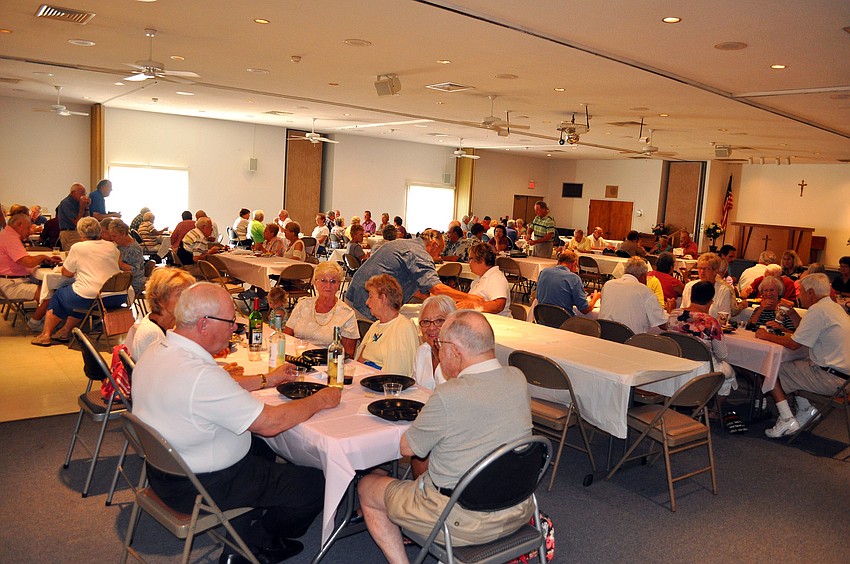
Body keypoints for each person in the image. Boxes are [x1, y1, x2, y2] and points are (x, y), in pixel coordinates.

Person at [132, 282, 341, 563]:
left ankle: (250, 515)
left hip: (164, 471)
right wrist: (321, 400)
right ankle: (255, 541)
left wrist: (268, 379)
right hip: (201, 485)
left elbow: (214, 391)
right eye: (230, 321)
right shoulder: (200, 375)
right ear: (204, 324)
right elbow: (271, 423)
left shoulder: (158, 350)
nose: (234, 327)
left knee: (265, 448)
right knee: (314, 482)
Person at [358, 310, 533, 562]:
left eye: (440, 345)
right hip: (518, 507)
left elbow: (408, 449)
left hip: (462, 520)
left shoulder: (448, 395)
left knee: (367, 486)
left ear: (455, 350)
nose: (438, 351)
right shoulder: (518, 378)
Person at [757, 274, 850, 438]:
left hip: (830, 379)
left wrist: (766, 336)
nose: (799, 295)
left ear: (811, 293)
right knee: (795, 363)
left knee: (769, 367)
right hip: (843, 378)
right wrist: (792, 314)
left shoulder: (818, 310)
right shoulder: (833, 307)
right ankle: (805, 409)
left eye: (802, 292)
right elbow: (804, 333)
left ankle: (786, 418)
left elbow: (794, 344)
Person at [31, 217, 122, 346]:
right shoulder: (111, 246)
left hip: (91, 298)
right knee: (77, 294)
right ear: (100, 231)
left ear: (80, 233)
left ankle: (45, 335)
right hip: (116, 297)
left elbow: (67, 274)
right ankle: (64, 331)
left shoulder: (78, 247)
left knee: (59, 294)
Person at [667, 281, 740, 424]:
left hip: (677, 364)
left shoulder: (673, 315)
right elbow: (722, 354)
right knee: (729, 373)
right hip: (701, 369)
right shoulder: (710, 321)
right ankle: (714, 410)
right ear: (711, 301)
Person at [344, 229, 458, 320]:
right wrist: (470, 298)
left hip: (353, 296)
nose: (439, 256)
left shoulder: (402, 243)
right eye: (439, 251)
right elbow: (436, 288)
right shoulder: (419, 253)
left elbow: (416, 288)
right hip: (367, 304)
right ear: (433, 245)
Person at [284, 261, 359, 356]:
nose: (328, 286)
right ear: (315, 282)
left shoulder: (347, 314)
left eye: (333, 281)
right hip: (298, 358)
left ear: (339, 285)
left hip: (327, 363)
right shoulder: (303, 305)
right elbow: (286, 337)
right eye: (323, 280)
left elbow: (348, 354)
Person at [0, 213, 61, 330]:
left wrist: (42, 260)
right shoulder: (10, 238)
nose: (30, 232)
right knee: (49, 293)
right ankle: (35, 323)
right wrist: (42, 256)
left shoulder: (7, 235)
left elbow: (22, 261)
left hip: (13, 279)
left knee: (47, 285)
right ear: (18, 225)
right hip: (10, 284)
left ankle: (47, 318)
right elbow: (27, 262)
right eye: (28, 228)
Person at [126, 267, 195, 359]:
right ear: (160, 300)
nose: (188, 300)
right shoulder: (154, 336)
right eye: (179, 294)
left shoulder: (156, 322)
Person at [356, 274, 420, 373]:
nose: (367, 302)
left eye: (370, 297)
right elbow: (360, 360)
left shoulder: (403, 328)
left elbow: (399, 372)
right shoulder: (375, 326)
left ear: (383, 298)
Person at [599, 256, 667, 334]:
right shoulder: (645, 291)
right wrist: (670, 310)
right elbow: (663, 324)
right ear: (643, 277)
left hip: (604, 335)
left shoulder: (608, 285)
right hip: (631, 340)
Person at [536, 250, 600, 315]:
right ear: (574, 264)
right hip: (563, 319)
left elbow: (538, 297)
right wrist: (595, 297)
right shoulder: (573, 278)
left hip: (542, 316)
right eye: (577, 266)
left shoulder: (543, 272)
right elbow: (585, 309)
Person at [413, 295, 456, 390]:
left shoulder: (461, 357)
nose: (431, 327)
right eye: (426, 321)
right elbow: (414, 389)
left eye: (439, 321)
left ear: (452, 323)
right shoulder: (422, 351)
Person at [681, 253, 740, 319]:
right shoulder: (689, 286)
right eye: (699, 268)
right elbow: (683, 309)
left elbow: (724, 316)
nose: (702, 271)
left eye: (706, 269)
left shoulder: (723, 290)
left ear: (715, 271)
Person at [462, 242, 511, 316]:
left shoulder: (495, 277)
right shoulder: (481, 278)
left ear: (481, 260)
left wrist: (473, 306)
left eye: (471, 259)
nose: (469, 262)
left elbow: (499, 305)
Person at [109, 219, 146, 301]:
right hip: (125, 279)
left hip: (134, 282)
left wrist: (119, 263)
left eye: (114, 236)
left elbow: (136, 271)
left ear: (123, 234)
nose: (112, 239)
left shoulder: (134, 249)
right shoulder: (121, 246)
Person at [57, 183, 91, 250]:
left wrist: (86, 207)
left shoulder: (79, 202)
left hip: (79, 232)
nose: (84, 196)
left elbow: (87, 220)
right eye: (82, 193)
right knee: (74, 253)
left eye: (85, 193)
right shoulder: (66, 203)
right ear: (73, 193)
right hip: (70, 233)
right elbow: (77, 222)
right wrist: (81, 208)